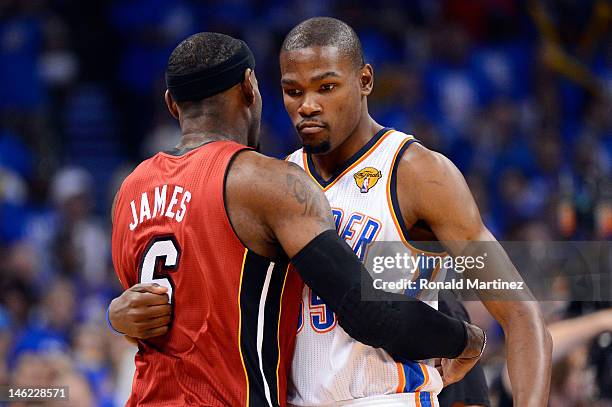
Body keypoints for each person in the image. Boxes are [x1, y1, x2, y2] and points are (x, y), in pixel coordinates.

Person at [109, 32, 485, 407]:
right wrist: (466, 340)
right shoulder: (265, 181)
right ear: (250, 88)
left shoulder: (129, 190)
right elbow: (369, 313)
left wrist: (115, 315)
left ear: (172, 105)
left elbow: (167, 307)